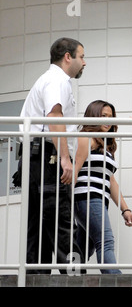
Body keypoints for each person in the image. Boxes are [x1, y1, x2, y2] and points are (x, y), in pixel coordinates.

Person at [17, 37, 86, 274]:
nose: (84, 63)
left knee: (39, 226)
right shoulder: (58, 80)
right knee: (62, 220)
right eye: (81, 56)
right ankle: (75, 277)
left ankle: (37, 277)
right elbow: (54, 116)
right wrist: (65, 158)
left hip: (36, 156)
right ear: (68, 57)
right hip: (47, 157)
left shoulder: (46, 80)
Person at [73, 100, 132, 274]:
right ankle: (117, 281)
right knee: (105, 241)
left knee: (83, 247)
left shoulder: (106, 146)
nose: (108, 120)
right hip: (87, 197)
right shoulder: (86, 138)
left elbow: (111, 181)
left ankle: (72, 278)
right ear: (93, 116)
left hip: (99, 199)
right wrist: (66, 204)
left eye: (111, 117)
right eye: (103, 116)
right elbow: (75, 168)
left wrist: (125, 209)